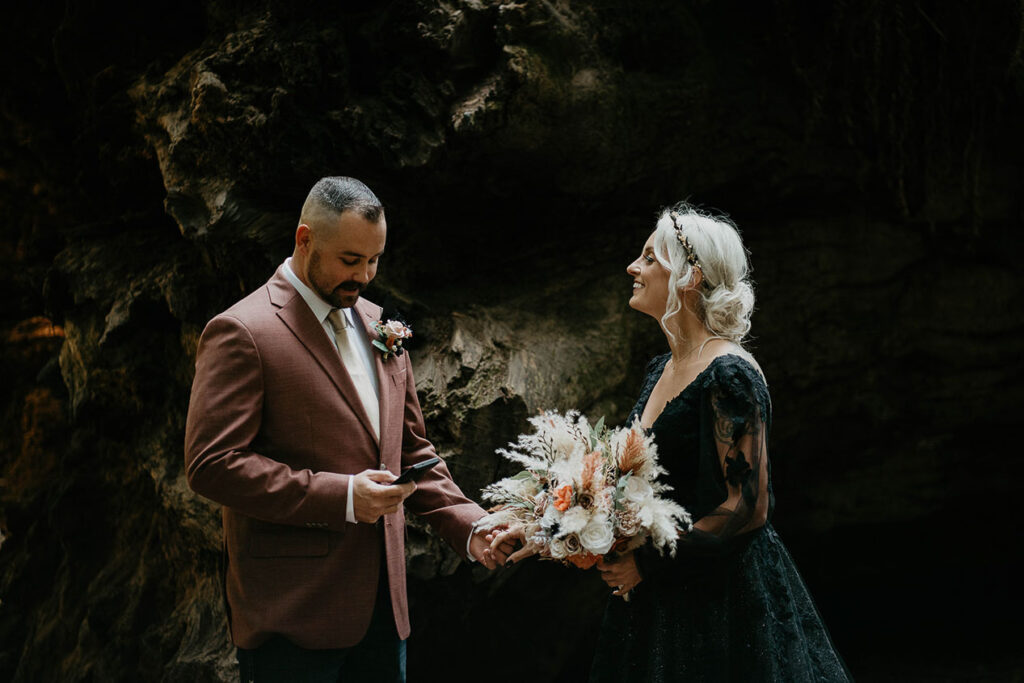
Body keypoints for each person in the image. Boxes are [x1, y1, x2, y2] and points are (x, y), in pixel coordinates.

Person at [491, 203, 852, 681]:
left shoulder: (729, 373)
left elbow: (746, 506)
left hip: (721, 600)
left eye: (648, 258)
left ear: (690, 277)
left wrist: (649, 563)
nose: (632, 267)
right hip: (659, 602)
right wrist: (540, 528)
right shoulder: (661, 369)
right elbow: (616, 485)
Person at [184, 176, 502, 682]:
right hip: (292, 615)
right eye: (350, 260)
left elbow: (412, 451)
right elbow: (212, 466)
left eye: (375, 259)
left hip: (384, 611)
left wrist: (471, 525)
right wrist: (344, 496)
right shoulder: (241, 331)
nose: (366, 276)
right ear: (304, 239)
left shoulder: (378, 323)